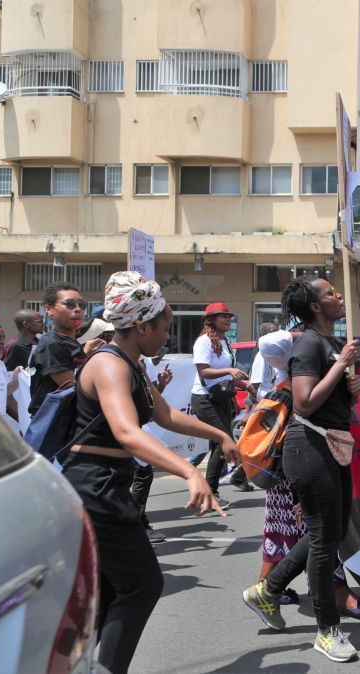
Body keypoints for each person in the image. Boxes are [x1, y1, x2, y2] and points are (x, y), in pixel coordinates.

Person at [62, 271, 239, 674]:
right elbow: (126, 432)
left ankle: (85, 666)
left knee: (111, 590)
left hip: (106, 484)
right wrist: (188, 473)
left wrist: (220, 434)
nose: (167, 336)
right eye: (165, 327)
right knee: (143, 585)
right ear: (141, 326)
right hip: (94, 486)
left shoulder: (132, 362)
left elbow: (166, 414)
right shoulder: (109, 365)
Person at [241, 278, 360, 663]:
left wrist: (350, 387)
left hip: (331, 445)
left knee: (330, 532)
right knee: (325, 539)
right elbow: (305, 403)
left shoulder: (326, 343)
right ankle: (327, 630)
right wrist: (340, 365)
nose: (338, 296)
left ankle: (267, 589)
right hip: (309, 446)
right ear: (314, 306)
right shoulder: (309, 344)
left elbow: (327, 398)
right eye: (330, 294)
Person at [191, 302, 251, 508]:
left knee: (220, 443)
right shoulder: (203, 341)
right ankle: (210, 492)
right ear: (211, 321)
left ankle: (209, 491)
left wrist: (247, 388)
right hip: (204, 399)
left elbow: (229, 376)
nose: (228, 319)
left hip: (222, 398)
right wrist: (229, 372)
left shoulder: (224, 342)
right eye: (222, 316)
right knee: (222, 442)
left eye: (229, 316)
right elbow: (204, 371)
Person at [131, 348, 174, 545]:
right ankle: (137, 526)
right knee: (139, 473)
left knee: (142, 473)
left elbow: (148, 401)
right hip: (124, 431)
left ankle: (138, 525)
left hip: (137, 427)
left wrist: (160, 384)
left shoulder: (140, 361)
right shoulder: (115, 360)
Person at [29, 283, 90, 417]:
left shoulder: (70, 342)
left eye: (82, 305)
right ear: (49, 309)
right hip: (56, 428)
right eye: (70, 304)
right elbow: (73, 390)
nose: (78, 309)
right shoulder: (52, 344)